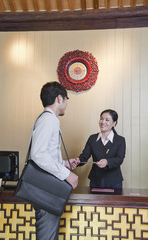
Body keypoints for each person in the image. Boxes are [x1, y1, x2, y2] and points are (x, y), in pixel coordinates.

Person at [29, 81, 78, 240]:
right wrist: (66, 174)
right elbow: (38, 154)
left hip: (46, 191)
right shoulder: (49, 120)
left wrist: (64, 163)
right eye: (66, 99)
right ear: (59, 98)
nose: (66, 104)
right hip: (46, 192)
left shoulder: (47, 119)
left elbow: (44, 154)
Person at [76, 109, 126, 189]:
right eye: (101, 118)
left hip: (114, 181)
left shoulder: (120, 140)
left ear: (114, 123)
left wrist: (107, 162)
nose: (103, 122)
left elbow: (119, 159)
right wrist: (77, 161)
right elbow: (84, 156)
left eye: (107, 120)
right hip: (96, 180)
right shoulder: (92, 138)